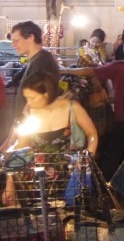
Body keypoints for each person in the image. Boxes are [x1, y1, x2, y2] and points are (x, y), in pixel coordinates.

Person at [62, 27, 124, 180]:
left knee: (112, 154)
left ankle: (107, 188)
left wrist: (64, 71)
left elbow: (90, 71)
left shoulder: (120, 66)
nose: (123, 44)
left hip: (123, 118)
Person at [2, 71, 98, 207]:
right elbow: (20, 149)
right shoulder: (29, 112)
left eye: (32, 98)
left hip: (68, 173)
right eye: (27, 98)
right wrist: (10, 184)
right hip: (37, 178)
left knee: (71, 215)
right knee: (41, 220)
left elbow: (92, 134)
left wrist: (88, 156)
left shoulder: (72, 107)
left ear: (46, 94)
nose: (29, 102)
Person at [10, 21, 60, 118]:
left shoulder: (42, 61)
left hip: (34, 125)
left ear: (30, 38)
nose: (13, 45)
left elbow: (38, 96)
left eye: (16, 41)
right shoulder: (38, 59)